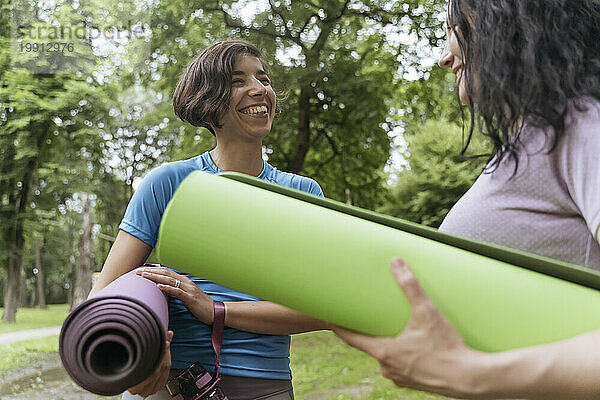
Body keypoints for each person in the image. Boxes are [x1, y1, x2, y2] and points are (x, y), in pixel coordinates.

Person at [334, 0, 600, 399]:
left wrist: (471, 374)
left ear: (508, 21)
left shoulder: (582, 122)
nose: (444, 58)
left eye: (455, 27)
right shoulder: (529, 142)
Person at [89, 39, 329, 400]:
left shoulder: (302, 193)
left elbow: (323, 311)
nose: (258, 89)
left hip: (265, 386)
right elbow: (102, 296)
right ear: (207, 100)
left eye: (262, 79)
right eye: (237, 81)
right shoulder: (168, 183)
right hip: (170, 386)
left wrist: (215, 310)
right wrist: (144, 354)